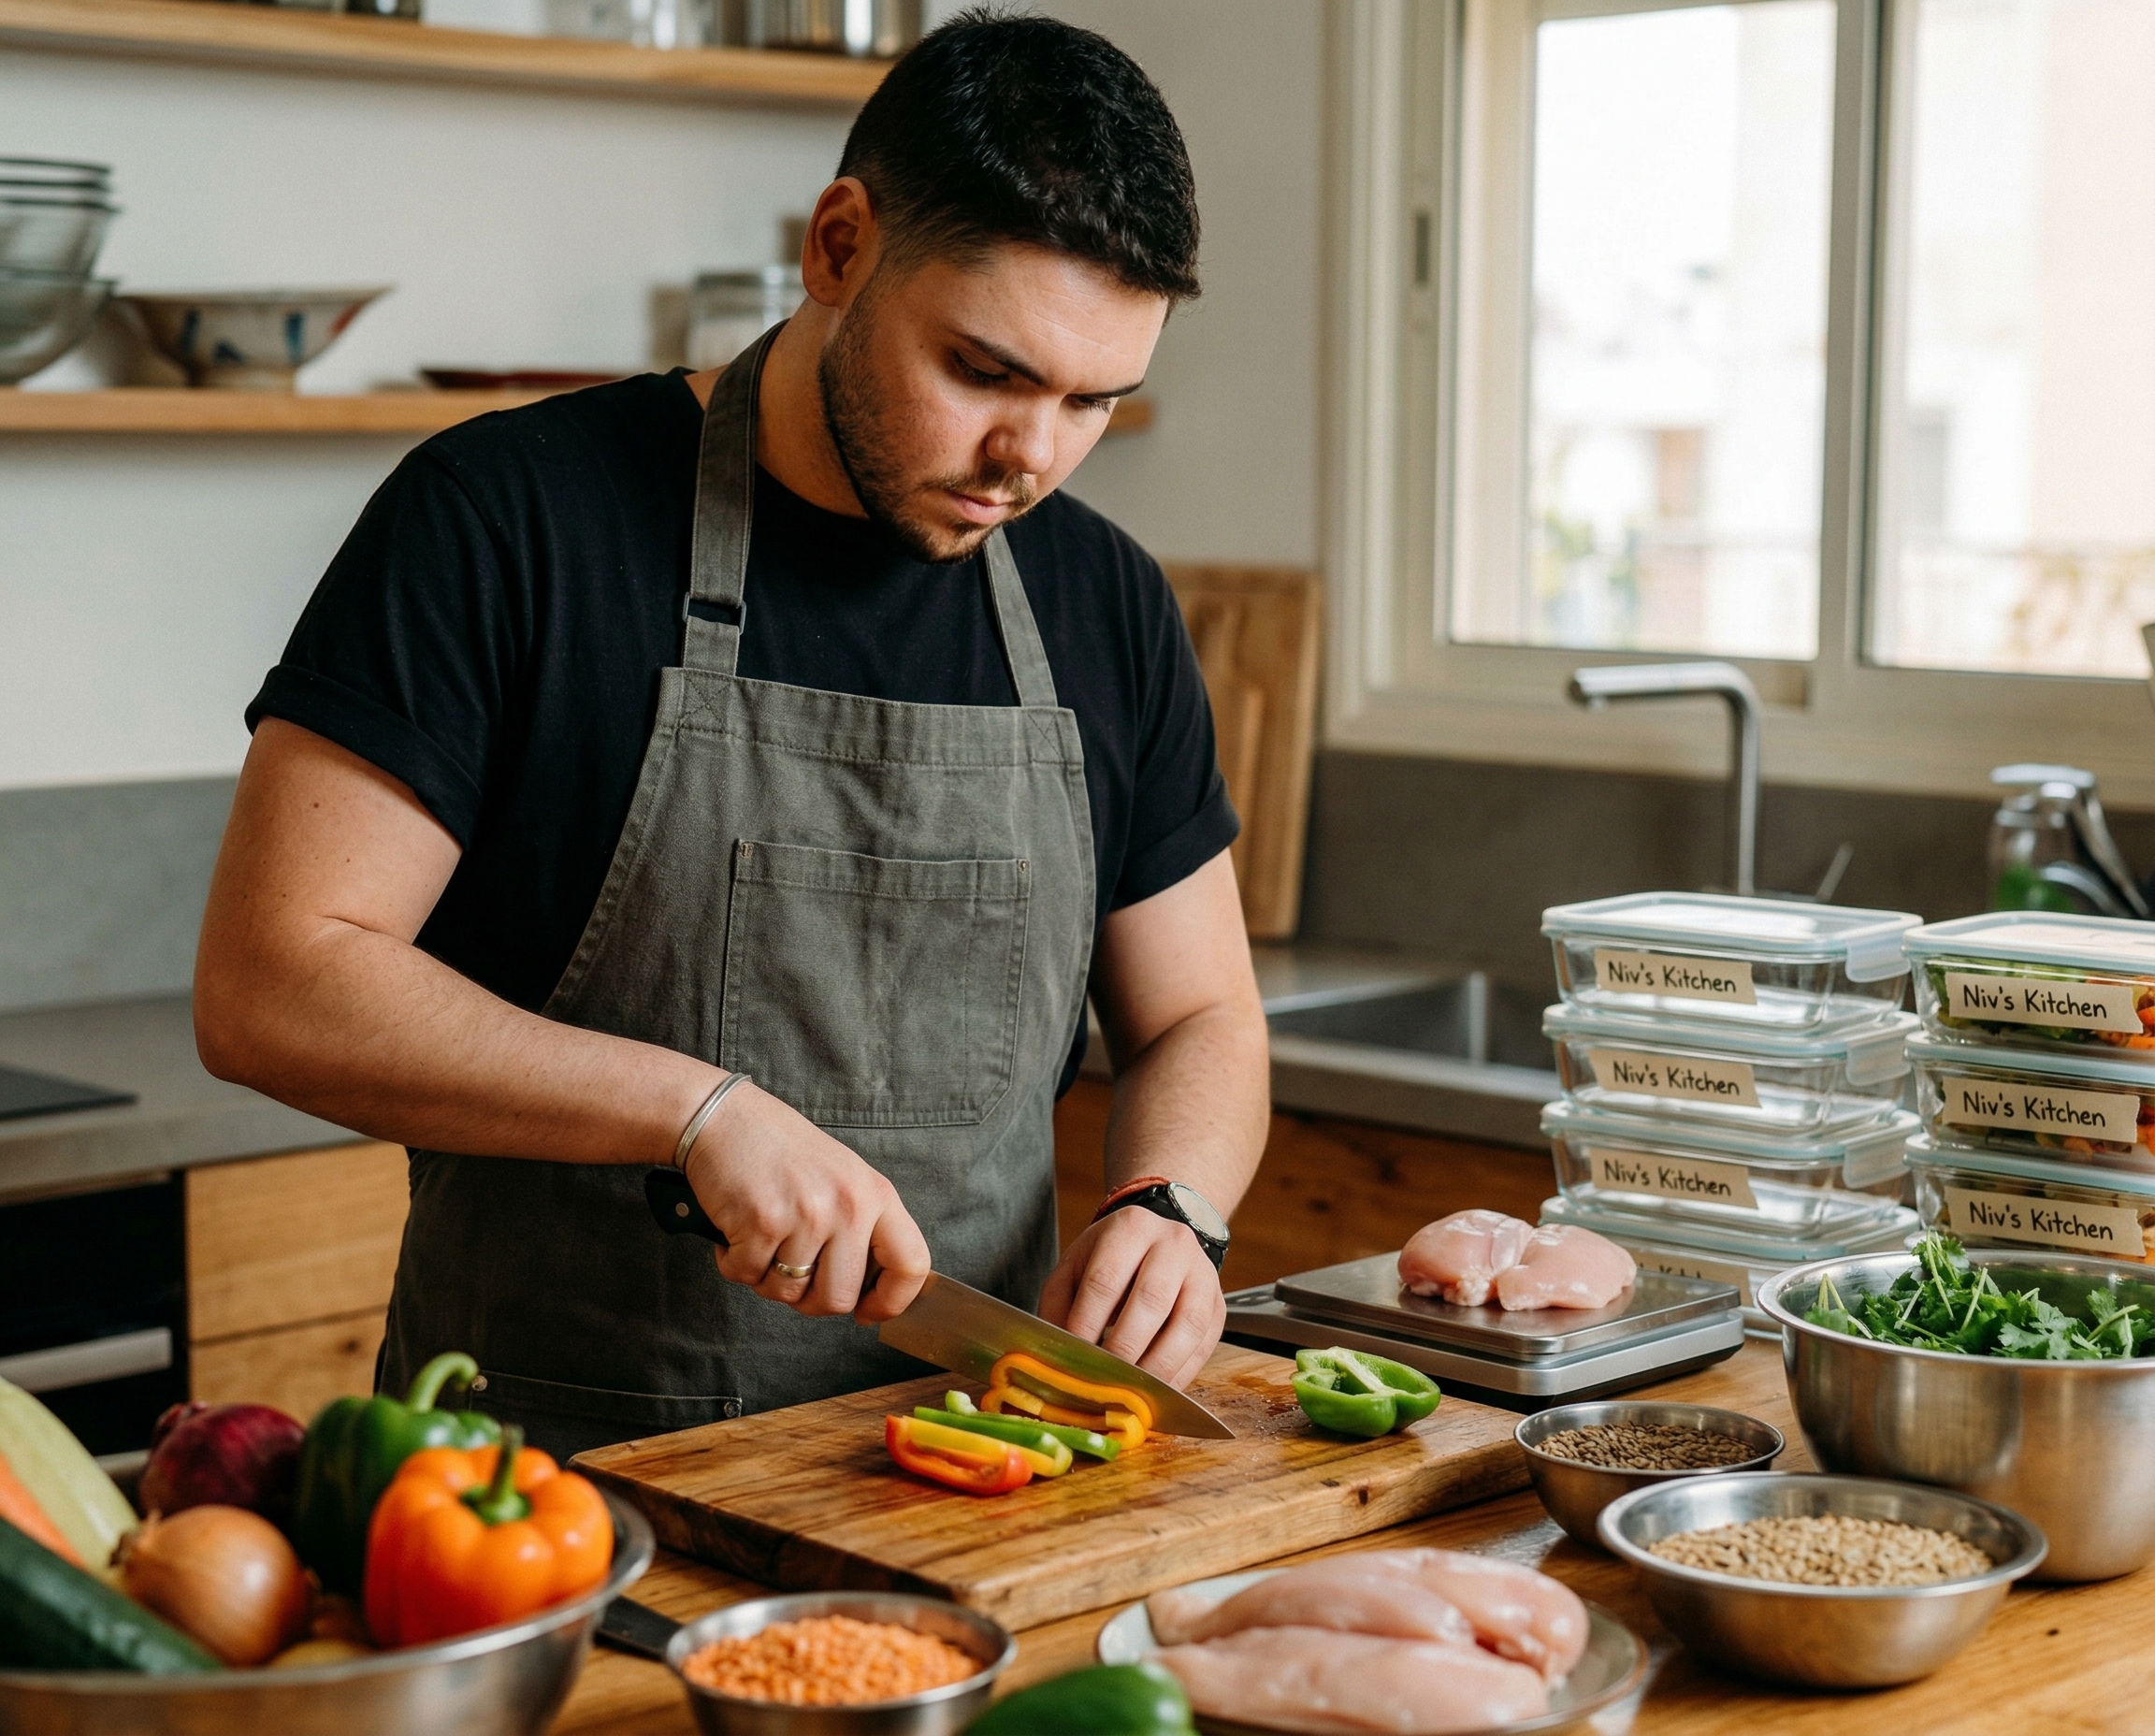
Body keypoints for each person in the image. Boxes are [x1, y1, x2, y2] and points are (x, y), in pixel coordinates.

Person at [193, 9, 1271, 1458]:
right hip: (559, 1491)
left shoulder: (1102, 600)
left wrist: (1172, 1207)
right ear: (839, 245)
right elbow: (272, 982)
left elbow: (1202, 1015)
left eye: (1093, 401)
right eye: (987, 372)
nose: (1031, 458)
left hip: (984, 1467)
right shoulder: (509, 520)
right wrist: (692, 1110)